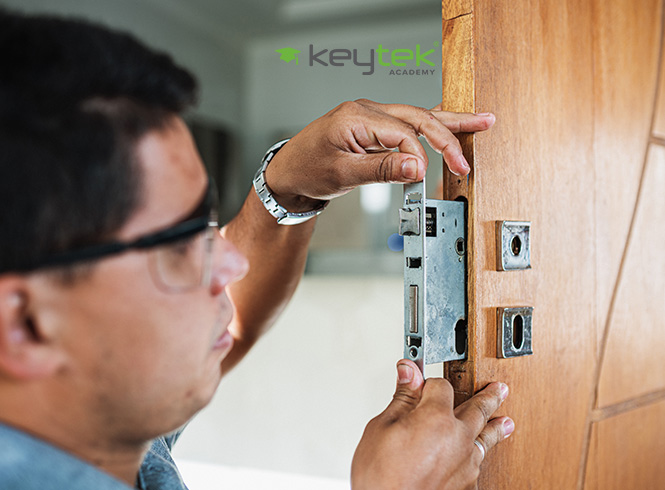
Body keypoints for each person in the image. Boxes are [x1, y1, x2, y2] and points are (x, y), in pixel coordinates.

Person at [0, 9, 514, 490]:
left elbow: (227, 326)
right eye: (178, 245)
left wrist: (289, 189)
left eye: (206, 224)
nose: (232, 260)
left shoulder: (99, 423)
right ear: (26, 325)